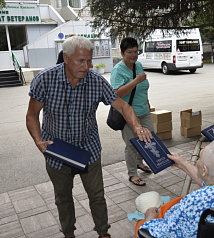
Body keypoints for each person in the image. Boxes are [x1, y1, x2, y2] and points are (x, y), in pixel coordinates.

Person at [26, 36, 152, 238]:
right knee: (63, 198)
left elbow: (123, 106)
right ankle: (69, 234)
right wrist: (39, 142)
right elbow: (32, 115)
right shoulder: (45, 79)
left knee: (97, 195)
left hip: (89, 150)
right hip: (57, 151)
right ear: (66, 58)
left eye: (89, 61)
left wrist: (137, 126)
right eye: (80, 61)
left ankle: (103, 233)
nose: (87, 66)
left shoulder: (96, 82)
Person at [135, 139, 214, 238]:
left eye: (199, 158)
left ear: (204, 170)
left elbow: (160, 234)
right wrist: (182, 163)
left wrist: (149, 218)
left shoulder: (194, 202)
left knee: (140, 228)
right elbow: (210, 183)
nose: (197, 161)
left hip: (180, 229)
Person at [110, 37, 154, 186]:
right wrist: (135, 81)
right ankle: (132, 174)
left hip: (144, 110)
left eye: (135, 51)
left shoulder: (138, 65)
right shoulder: (118, 70)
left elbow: (143, 89)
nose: (133, 55)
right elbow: (116, 94)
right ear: (122, 53)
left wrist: (148, 104)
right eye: (129, 52)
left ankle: (139, 162)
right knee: (132, 144)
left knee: (148, 138)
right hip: (128, 114)